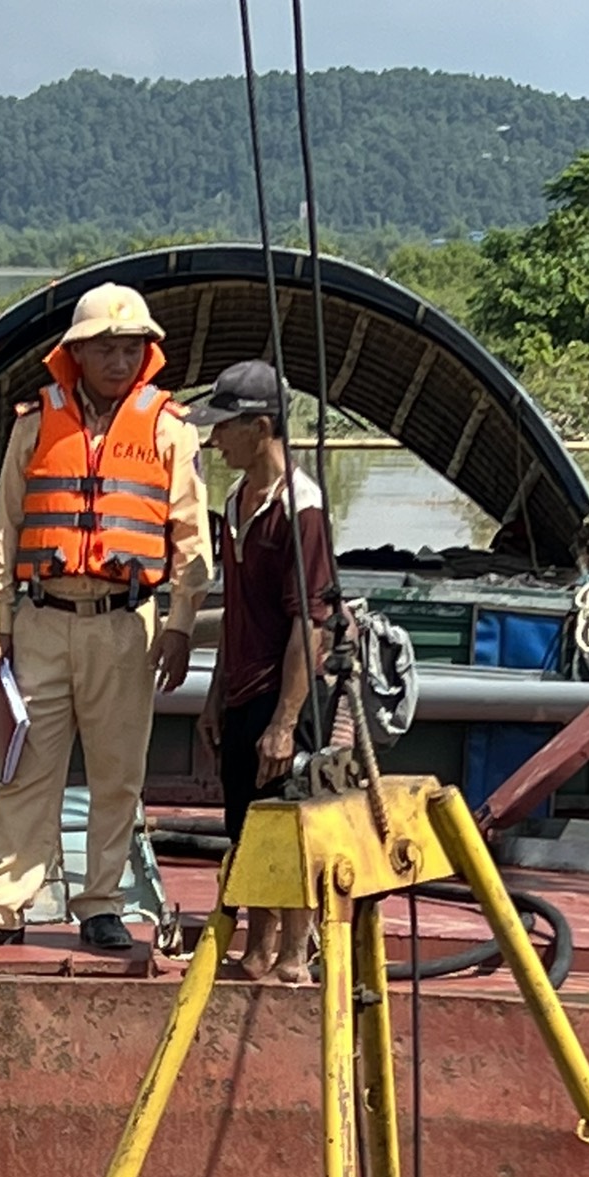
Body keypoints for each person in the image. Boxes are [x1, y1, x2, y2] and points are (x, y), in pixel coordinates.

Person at [0, 283, 210, 955]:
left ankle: (101, 904)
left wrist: (179, 625)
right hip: (43, 620)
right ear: (77, 355)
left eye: (129, 350)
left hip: (125, 626)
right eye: (105, 350)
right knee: (27, 769)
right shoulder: (35, 424)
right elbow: (4, 534)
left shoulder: (170, 429)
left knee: (117, 774)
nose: (119, 362)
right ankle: (0, 908)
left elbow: (191, 541)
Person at [190, 359, 334, 983]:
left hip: (284, 695)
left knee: (290, 824)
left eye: (226, 427)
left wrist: (286, 719)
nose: (215, 439)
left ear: (261, 426)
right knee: (246, 825)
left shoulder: (302, 508)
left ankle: (295, 954)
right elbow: (237, 610)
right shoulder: (236, 501)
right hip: (244, 689)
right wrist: (216, 697)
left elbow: (311, 621)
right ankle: (256, 946)